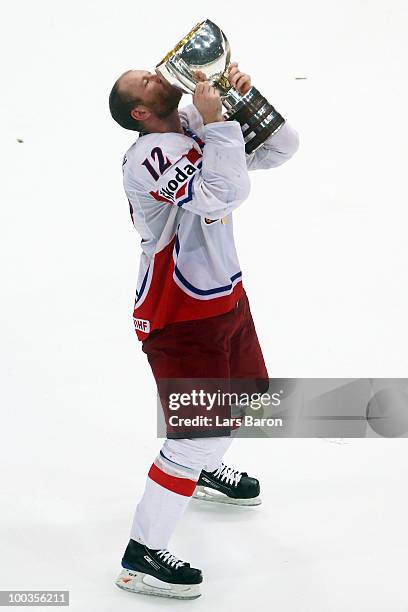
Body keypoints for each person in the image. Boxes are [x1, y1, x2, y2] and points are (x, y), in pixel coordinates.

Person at [109, 63, 299, 599]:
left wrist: (246, 97)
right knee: (197, 433)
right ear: (140, 113)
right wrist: (219, 125)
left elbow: (283, 147)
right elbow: (222, 194)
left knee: (246, 397)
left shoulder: (194, 121)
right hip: (179, 313)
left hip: (222, 295)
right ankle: (141, 556)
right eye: (143, 83)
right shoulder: (148, 156)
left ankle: (201, 470)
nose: (156, 75)